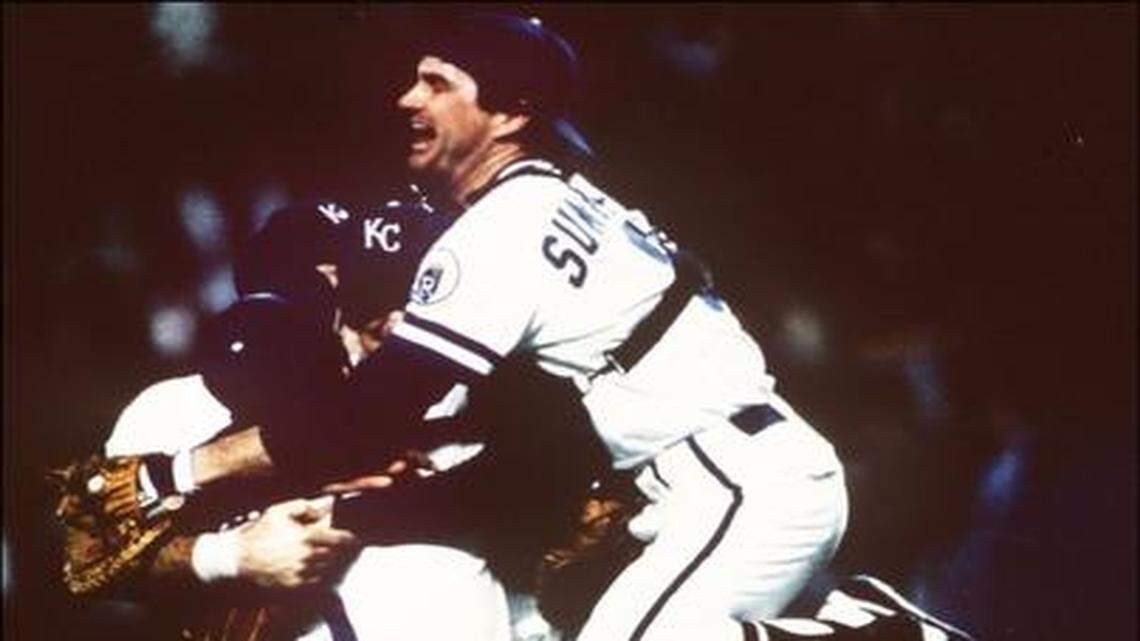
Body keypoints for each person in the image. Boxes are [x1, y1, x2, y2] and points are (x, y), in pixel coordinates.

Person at [117, 12, 972, 641]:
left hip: (732, 478)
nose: (408, 97)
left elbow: (362, 419)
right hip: (719, 472)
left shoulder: (497, 234)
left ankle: (873, 631)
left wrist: (179, 471)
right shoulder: (560, 193)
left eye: (439, 83)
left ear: (511, 112)